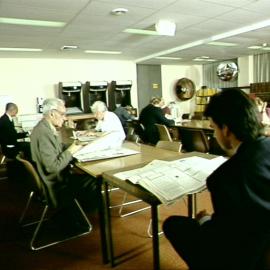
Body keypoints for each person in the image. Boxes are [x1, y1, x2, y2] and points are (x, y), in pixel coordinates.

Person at [163, 88, 270, 270]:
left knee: (173, 224)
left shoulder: (224, 177)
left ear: (226, 129)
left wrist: (205, 220)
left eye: (213, 127)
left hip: (245, 256)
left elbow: (222, 238)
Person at [30, 98, 97, 210]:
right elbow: (53, 167)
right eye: (62, 114)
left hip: (54, 178)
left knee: (86, 176)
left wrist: (76, 145)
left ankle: (81, 212)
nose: (65, 118)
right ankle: (82, 217)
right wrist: (71, 150)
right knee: (94, 180)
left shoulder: (44, 127)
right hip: (55, 183)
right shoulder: (43, 133)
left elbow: (57, 148)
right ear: (52, 114)